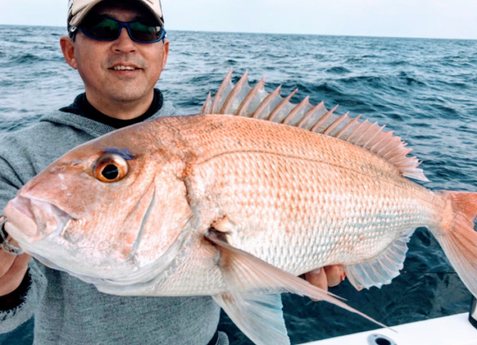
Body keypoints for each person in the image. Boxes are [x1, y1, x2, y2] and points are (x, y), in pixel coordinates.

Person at [0, 0, 343, 344]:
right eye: (102, 29)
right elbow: (13, 307)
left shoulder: (207, 134)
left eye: (144, 31)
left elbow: (250, 257)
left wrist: (296, 256)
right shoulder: (18, 158)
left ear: (163, 53)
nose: (125, 44)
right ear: (70, 51)